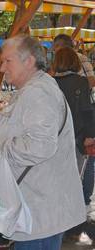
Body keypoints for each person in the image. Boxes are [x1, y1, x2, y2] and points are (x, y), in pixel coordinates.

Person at [0, 34, 85, 249]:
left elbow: (38, 146)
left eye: (7, 61)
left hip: (40, 207)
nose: (2, 68)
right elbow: (26, 126)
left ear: (29, 61)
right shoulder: (37, 87)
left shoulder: (39, 93)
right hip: (41, 204)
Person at [53, 33, 95, 222]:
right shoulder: (81, 82)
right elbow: (87, 111)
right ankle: (73, 214)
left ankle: (58, 213)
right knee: (75, 176)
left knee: (56, 177)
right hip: (77, 137)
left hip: (55, 138)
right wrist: (90, 135)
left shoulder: (50, 83)